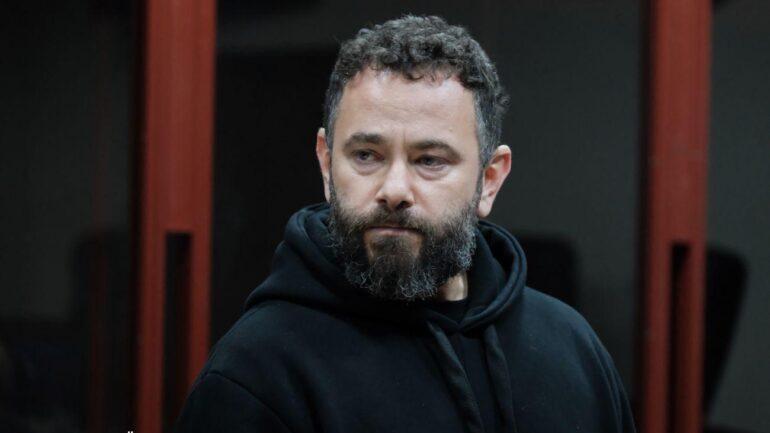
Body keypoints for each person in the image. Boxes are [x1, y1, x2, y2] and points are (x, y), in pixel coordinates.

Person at [174, 15, 635, 433]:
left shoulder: (571, 351)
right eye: (366, 155)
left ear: (490, 180)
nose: (394, 189)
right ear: (326, 165)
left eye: (429, 160)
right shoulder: (256, 374)